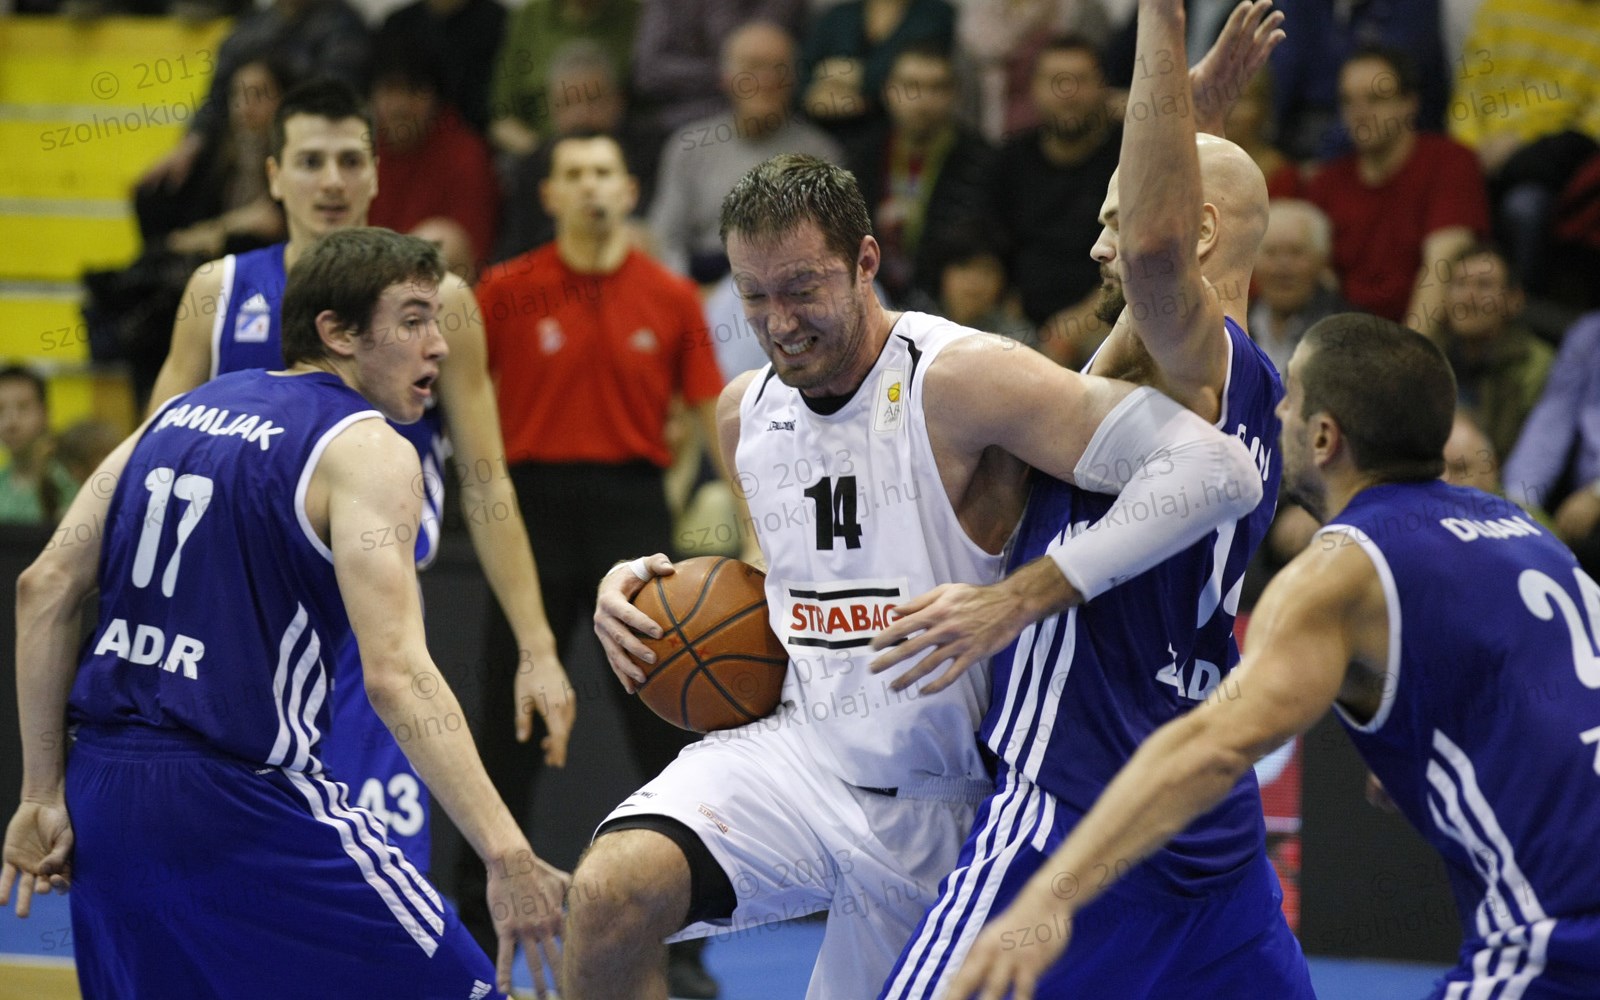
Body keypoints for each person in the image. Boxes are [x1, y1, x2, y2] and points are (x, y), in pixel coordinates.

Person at [571, 137, 1268, 997]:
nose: (779, 322)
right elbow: (769, 581)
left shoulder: (964, 377)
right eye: (754, 295)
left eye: (802, 289)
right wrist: (646, 592)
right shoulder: (743, 412)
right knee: (608, 894)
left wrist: (1018, 598)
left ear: (866, 262)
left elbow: (1218, 471)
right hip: (798, 757)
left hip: (947, 804)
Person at [946, 312, 1600, 1000]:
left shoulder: (1338, 571)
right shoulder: (1523, 532)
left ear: (1323, 438)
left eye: (1292, 397)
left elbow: (1206, 751)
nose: (1278, 411)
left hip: (1563, 942)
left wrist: (1049, 899)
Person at [0, 228, 566, 999]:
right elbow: (396, 676)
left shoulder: (175, 413)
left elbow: (43, 587)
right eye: (412, 321)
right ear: (337, 333)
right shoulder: (369, 446)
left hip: (101, 789)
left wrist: (39, 793)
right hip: (238, 800)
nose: (438, 343)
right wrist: (506, 853)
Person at [875, 2, 1312, 996]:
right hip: (1202, 817)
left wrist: (1159, 17)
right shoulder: (1243, 384)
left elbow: (1156, 245)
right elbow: (1150, 259)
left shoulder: (1196, 358)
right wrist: (1187, 115)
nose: (1098, 249)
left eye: (1109, 223)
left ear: (1200, 233)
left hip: (1075, 794)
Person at [144, 80, 574, 879]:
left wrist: (538, 646)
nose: (332, 181)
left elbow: (486, 483)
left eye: (350, 160)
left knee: (376, 879)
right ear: (274, 175)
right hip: (232, 633)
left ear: (378, 174)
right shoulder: (219, 293)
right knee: (241, 886)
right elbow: (149, 467)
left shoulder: (440, 301)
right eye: (311, 161)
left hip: (366, 633)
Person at [473, 129, 731, 997]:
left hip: (633, 518)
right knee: (504, 729)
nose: (590, 186)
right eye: (574, 173)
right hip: (531, 514)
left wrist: (749, 525)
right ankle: (470, 933)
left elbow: (710, 414)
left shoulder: (671, 296)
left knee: (668, 734)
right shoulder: (504, 291)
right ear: (549, 194)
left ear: (629, 190)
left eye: (604, 172)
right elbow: (466, 410)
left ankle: (686, 943)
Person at [1299, 46, 1489, 333]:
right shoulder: (1327, 181)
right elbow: (1318, 279)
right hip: (1348, 339)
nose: (1360, 113)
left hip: (1425, 341)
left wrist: (1407, 354)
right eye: (1348, 101)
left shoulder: (1450, 162)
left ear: (1409, 103)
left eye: (1376, 99)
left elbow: (1442, 265)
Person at [649, 21, 843, 284]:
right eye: (753, 67)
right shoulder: (689, 146)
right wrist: (688, 294)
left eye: (778, 69)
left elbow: (830, 247)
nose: (766, 80)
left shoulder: (820, 153)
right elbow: (664, 238)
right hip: (699, 285)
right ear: (726, 79)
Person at [1435, 243, 1553, 463]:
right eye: (1459, 284)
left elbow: (1529, 454)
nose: (1468, 298)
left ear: (1514, 300)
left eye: (1484, 285)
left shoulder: (1536, 365)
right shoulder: (1427, 354)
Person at [1247, 198, 1349, 375]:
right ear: (1252, 261)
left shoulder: (1350, 333)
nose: (1282, 267)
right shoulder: (1229, 328)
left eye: (1296, 252)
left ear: (1323, 260)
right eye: (1271, 253)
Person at [0, 366, 78, 525]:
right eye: (0, 410)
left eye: (23, 407)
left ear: (45, 413)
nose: (11, 422)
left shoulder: (68, 481)